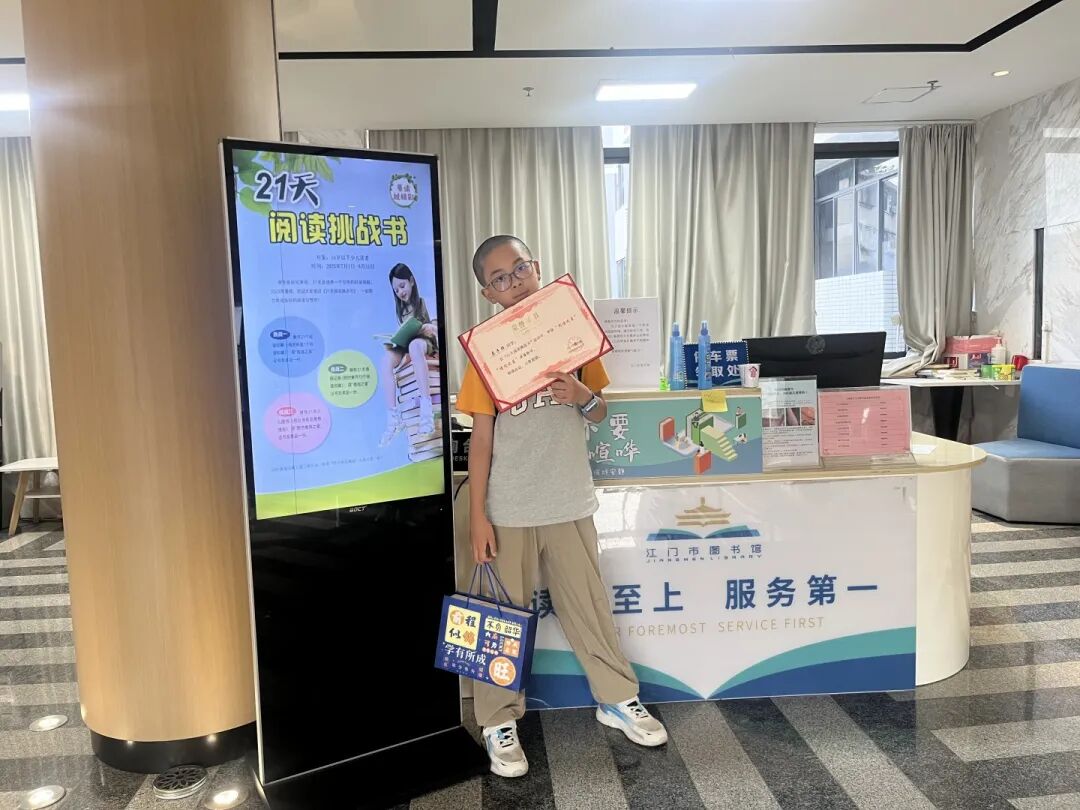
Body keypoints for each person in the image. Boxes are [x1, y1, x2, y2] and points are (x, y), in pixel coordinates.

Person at [456, 235, 668, 779]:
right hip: (507, 507)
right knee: (498, 616)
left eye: (520, 268)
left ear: (537, 267)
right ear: (488, 293)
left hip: (570, 499)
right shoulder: (485, 351)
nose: (514, 282)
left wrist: (582, 396)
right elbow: (482, 439)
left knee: (588, 605)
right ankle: (497, 720)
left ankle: (616, 697)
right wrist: (478, 515)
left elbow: (599, 412)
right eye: (500, 278)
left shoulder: (571, 330)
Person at [380, 263, 438, 445]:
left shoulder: (425, 302)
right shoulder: (401, 311)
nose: (400, 292)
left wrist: (429, 327)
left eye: (402, 286)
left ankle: (426, 413)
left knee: (414, 346)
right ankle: (393, 419)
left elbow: (438, 330)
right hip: (407, 345)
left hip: (426, 343)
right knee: (386, 360)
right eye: (396, 290)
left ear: (411, 281)